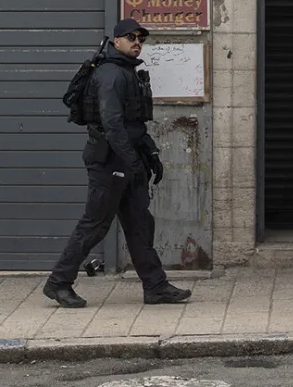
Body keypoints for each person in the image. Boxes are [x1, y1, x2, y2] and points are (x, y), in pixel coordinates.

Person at [43, 18, 192, 308]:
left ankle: (156, 286)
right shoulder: (111, 74)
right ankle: (58, 283)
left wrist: (150, 153)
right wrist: (132, 161)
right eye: (131, 37)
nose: (137, 42)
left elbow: (134, 123)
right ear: (117, 41)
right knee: (95, 224)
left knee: (139, 224)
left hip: (127, 160)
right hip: (109, 162)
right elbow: (112, 125)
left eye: (141, 39)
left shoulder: (127, 71)